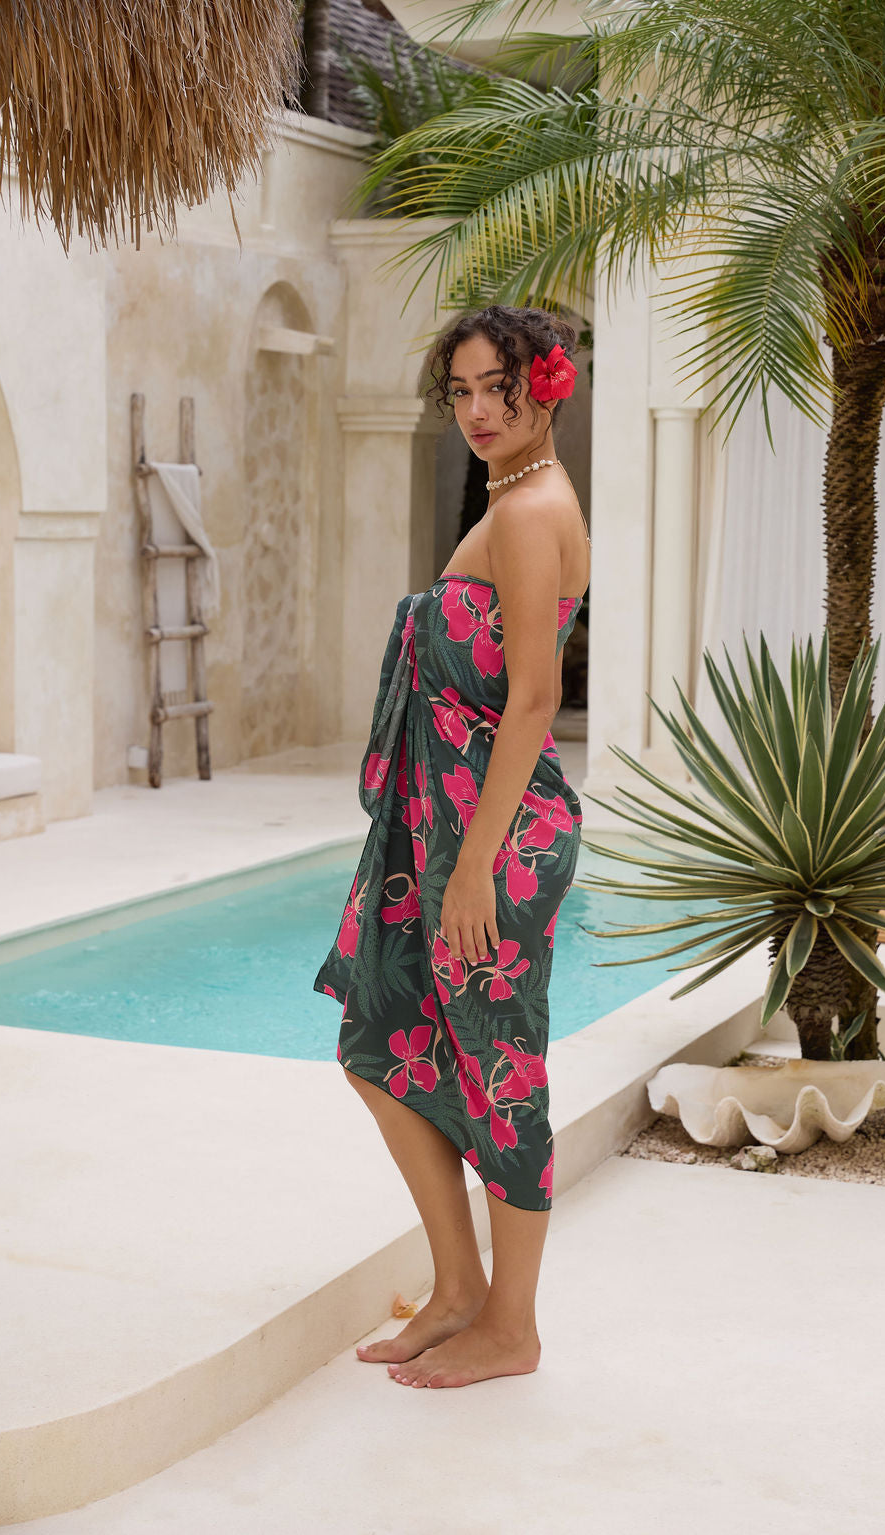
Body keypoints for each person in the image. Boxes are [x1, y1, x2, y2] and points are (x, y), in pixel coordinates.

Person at [314, 304, 591, 1390]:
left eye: (498, 390)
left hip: (494, 842)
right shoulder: (518, 498)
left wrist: (474, 864)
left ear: (546, 389)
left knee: (500, 1071)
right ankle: (458, 1288)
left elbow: (533, 698)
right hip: (451, 829)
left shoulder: (530, 514)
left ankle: (509, 1324)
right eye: (462, 392)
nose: (478, 411)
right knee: (380, 1046)